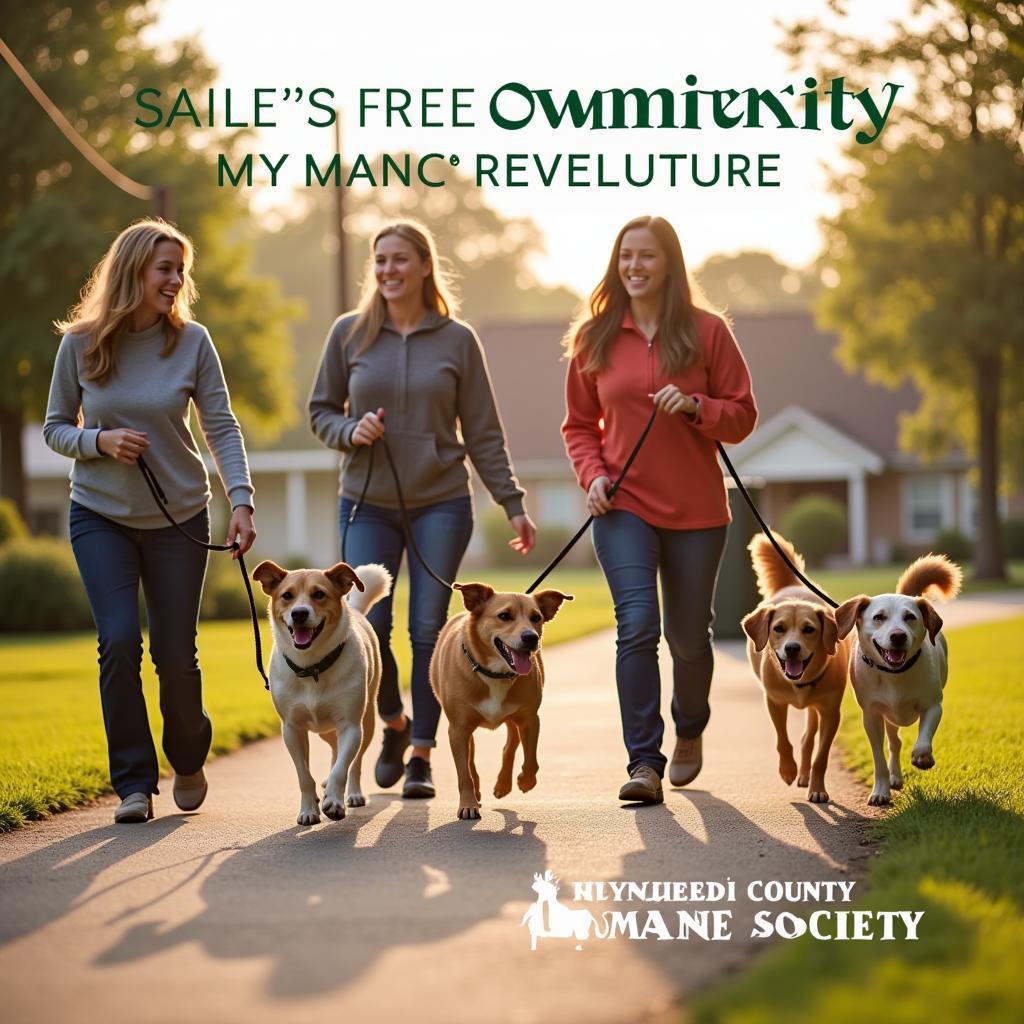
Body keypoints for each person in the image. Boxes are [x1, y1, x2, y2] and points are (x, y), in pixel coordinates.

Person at [309, 220, 536, 800]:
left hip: (441, 501)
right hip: (367, 501)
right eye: (379, 260)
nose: (388, 270)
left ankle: (423, 754)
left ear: (425, 265)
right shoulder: (349, 334)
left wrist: (512, 502)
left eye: (400, 259)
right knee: (366, 622)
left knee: (428, 630)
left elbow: (483, 431)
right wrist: (348, 428)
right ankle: (391, 723)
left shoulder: (457, 340)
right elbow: (319, 412)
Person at [43, 219, 256, 824]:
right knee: (117, 642)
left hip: (179, 517)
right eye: (165, 268)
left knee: (173, 651)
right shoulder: (80, 344)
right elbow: (55, 426)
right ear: (134, 270)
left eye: (180, 270)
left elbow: (220, 426)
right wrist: (99, 441)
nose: (175, 280)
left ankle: (188, 755)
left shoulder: (192, 342)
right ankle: (133, 783)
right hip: (99, 515)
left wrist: (240, 499)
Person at [562, 215, 757, 804]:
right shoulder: (594, 337)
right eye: (626, 256)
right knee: (637, 625)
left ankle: (689, 728)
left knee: (690, 639)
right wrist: (591, 476)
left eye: (646, 256)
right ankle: (644, 761)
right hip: (622, 508)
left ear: (669, 263)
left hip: (698, 510)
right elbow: (578, 425)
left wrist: (698, 406)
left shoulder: (706, 332)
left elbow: (743, 416)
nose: (634, 266)